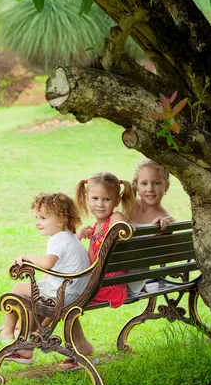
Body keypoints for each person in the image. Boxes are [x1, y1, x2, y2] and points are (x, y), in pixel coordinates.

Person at [0, 192, 90, 364]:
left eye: (43, 218)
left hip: (64, 293)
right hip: (78, 291)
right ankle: (25, 345)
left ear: (60, 220)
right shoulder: (70, 236)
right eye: (37, 217)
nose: (38, 222)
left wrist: (27, 257)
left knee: (17, 290)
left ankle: (8, 331)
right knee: (33, 299)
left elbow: (47, 263)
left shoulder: (57, 240)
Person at [57, 172, 136, 371]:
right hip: (102, 282)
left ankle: (75, 348)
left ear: (117, 200)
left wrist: (99, 235)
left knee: (62, 297)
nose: (100, 204)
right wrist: (86, 235)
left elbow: (120, 230)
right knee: (58, 293)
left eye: (106, 199)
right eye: (95, 199)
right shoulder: (98, 225)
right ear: (86, 198)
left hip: (110, 285)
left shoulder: (115, 218)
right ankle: (72, 344)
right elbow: (94, 258)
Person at [128, 158, 175, 294]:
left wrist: (164, 232)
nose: (150, 189)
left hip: (121, 284)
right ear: (136, 186)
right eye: (144, 183)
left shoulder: (165, 221)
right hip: (117, 279)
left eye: (156, 183)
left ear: (166, 186)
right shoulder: (128, 207)